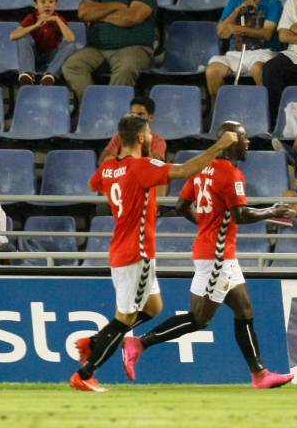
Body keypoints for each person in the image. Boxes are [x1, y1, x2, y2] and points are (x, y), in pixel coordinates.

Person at [120, 121, 296, 389]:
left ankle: (260, 373)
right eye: (244, 138)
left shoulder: (203, 168)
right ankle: (139, 343)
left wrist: (206, 226)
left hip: (217, 251)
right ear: (231, 141)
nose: (248, 142)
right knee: (199, 318)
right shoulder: (231, 175)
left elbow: (181, 205)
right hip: (217, 256)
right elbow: (242, 214)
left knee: (244, 308)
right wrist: (272, 211)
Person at [70, 114, 238, 392]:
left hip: (122, 247)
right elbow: (185, 170)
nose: (151, 137)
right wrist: (219, 146)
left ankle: (94, 342)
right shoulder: (142, 167)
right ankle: (85, 374)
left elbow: (94, 183)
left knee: (154, 307)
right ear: (139, 137)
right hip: (136, 254)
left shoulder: (109, 167)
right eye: (149, 133)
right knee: (125, 319)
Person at [62, 0, 157, 102]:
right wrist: (116, 6)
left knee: (126, 66)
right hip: (97, 48)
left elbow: (132, 17)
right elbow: (83, 12)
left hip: (133, 48)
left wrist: (97, 15)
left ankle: (113, 110)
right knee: (72, 65)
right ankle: (94, 108)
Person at [205, 0, 283, 106]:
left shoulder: (274, 3)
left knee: (258, 69)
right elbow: (221, 32)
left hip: (264, 52)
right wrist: (237, 10)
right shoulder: (235, 1)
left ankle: (267, 111)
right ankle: (218, 112)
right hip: (236, 53)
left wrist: (239, 30)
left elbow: (267, 33)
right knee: (212, 70)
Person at [99, 97, 167, 196]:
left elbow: (155, 164)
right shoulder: (119, 137)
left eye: (140, 115)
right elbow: (104, 160)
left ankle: (157, 209)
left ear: (151, 117)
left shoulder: (158, 141)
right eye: (133, 115)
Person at [10, 0, 77, 86]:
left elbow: (71, 39)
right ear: (36, 5)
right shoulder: (32, 17)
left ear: (55, 5)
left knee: (71, 45)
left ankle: (50, 75)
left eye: (51, 1)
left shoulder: (59, 19)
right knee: (22, 38)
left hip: (51, 58)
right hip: (33, 57)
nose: (47, 5)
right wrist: (35, 26)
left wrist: (57, 20)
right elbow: (13, 36)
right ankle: (27, 74)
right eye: (43, 2)